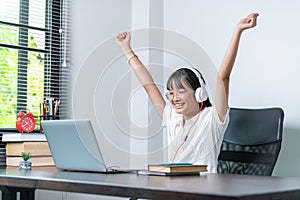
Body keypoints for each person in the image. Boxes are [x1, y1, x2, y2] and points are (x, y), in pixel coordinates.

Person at [115, 13, 259, 173]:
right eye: (170, 93)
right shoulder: (171, 117)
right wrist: (126, 48)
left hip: (205, 191)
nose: (174, 98)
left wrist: (238, 31)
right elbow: (148, 85)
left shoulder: (213, 118)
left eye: (181, 91)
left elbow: (223, 78)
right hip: (174, 189)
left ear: (200, 94)